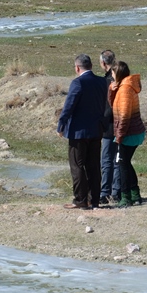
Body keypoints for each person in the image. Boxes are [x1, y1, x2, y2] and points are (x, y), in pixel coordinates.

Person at [57, 53, 107, 210]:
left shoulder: (78, 83)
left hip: (79, 132)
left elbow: (69, 106)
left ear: (77, 68)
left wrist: (61, 125)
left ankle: (80, 199)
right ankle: (95, 200)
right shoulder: (102, 82)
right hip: (96, 130)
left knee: (77, 166)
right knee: (93, 165)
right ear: (91, 66)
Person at [108, 60, 146, 208]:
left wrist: (120, 136)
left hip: (129, 133)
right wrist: (112, 89)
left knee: (123, 164)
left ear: (117, 73)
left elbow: (124, 115)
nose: (111, 75)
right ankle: (135, 194)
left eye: (112, 72)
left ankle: (126, 197)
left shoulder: (125, 89)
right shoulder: (124, 87)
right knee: (126, 163)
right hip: (133, 132)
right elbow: (112, 104)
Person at [99, 49, 120, 205]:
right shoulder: (123, 79)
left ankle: (105, 192)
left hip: (109, 126)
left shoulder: (106, 82)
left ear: (103, 63)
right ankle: (116, 191)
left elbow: (105, 107)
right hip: (123, 124)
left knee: (107, 160)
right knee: (118, 159)